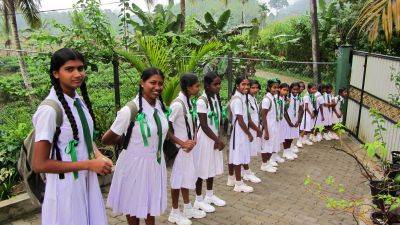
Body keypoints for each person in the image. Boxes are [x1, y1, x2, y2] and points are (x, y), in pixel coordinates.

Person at [32, 48, 112, 225]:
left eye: (81, 68)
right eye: (69, 69)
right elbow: (39, 164)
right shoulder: (49, 111)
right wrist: (90, 164)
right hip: (65, 190)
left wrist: (98, 156)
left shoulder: (77, 101)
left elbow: (84, 139)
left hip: (86, 182)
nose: (77, 74)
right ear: (56, 73)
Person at [104, 68, 168, 225]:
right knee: (133, 204)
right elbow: (107, 139)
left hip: (155, 163)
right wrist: (129, 142)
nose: (157, 87)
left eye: (160, 83)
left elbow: (161, 131)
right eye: (152, 82)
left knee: (149, 204)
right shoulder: (130, 110)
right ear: (142, 83)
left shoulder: (159, 106)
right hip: (134, 164)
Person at [168, 73, 206, 225]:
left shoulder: (189, 102)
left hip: (189, 149)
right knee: (177, 180)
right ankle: (174, 212)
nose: (199, 88)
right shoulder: (177, 105)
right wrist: (181, 143)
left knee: (186, 177)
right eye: (197, 86)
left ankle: (187, 207)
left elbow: (191, 124)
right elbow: (166, 127)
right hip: (180, 150)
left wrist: (194, 138)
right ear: (188, 87)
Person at [193, 71, 226, 213]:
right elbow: (204, 125)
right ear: (207, 85)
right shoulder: (202, 101)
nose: (218, 86)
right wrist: (217, 140)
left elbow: (218, 121)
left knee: (211, 166)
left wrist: (218, 137)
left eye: (219, 84)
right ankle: (198, 200)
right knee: (201, 169)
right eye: (215, 84)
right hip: (204, 139)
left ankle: (210, 195)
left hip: (213, 138)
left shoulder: (215, 99)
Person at [260, 78, 281, 173]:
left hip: (274, 126)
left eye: (277, 87)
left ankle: (267, 163)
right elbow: (263, 116)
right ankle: (264, 164)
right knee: (266, 146)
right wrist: (266, 131)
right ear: (269, 88)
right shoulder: (266, 99)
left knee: (271, 146)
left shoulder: (273, 98)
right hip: (268, 126)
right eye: (274, 87)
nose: (276, 89)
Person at [282, 82, 304, 160]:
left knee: (291, 136)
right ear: (290, 89)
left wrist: (299, 120)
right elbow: (284, 111)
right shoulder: (287, 98)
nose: (296, 91)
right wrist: (289, 122)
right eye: (294, 89)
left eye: (297, 89)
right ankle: (285, 151)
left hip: (295, 119)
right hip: (287, 120)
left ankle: (288, 150)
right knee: (287, 136)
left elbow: (301, 110)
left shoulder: (299, 98)